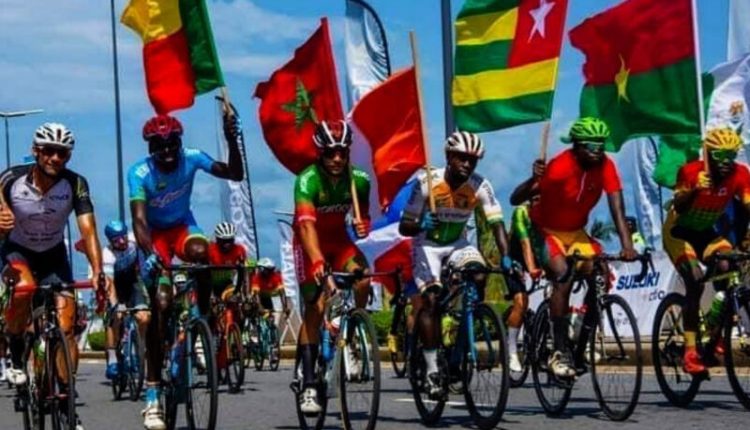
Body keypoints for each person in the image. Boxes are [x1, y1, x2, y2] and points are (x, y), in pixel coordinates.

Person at [128, 112, 243, 430]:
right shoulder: (139, 172)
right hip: (154, 237)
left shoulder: (192, 157)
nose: (166, 150)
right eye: (159, 145)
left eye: (172, 144)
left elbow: (235, 173)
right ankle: (153, 394)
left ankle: (202, 322)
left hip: (182, 227)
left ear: (180, 143)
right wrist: (150, 254)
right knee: (161, 304)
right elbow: (139, 221)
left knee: (202, 253)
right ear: (150, 148)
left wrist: (232, 140)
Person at [0, 123, 110, 430]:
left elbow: (88, 230)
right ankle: (16, 353)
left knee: (65, 327)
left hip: (53, 255)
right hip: (17, 251)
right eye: (49, 151)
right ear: (36, 151)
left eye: (62, 153)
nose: (55, 158)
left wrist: (98, 270)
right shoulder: (11, 179)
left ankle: (65, 400)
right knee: (25, 288)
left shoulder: (75, 184)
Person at [510, 117, 637, 378]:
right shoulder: (560, 167)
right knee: (563, 274)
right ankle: (559, 351)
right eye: (591, 145)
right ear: (577, 146)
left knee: (601, 274)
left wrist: (627, 246)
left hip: (576, 232)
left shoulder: (607, 166)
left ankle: (581, 338)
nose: (597, 151)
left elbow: (617, 209)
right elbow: (515, 198)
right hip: (546, 229)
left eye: (601, 145)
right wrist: (533, 178)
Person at [398, 130, 516, 396]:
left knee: (479, 275)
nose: (467, 164)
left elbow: (497, 224)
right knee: (431, 300)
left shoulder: (480, 185)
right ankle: (431, 370)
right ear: (448, 157)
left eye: (472, 160)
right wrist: (420, 223)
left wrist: (506, 256)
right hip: (427, 246)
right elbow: (405, 226)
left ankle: (460, 345)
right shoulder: (426, 182)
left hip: (457, 244)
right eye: (461, 158)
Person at [293, 119, 371, 414]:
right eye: (330, 153)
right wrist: (316, 261)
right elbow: (306, 226)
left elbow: (364, 218)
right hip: (308, 244)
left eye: (342, 152)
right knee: (315, 307)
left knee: (363, 278)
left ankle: (352, 335)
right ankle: (309, 384)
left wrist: (363, 226)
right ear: (319, 152)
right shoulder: (307, 180)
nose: (337, 159)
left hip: (340, 244)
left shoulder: (359, 179)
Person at [662, 128, 750, 374]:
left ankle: (715, 336)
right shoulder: (691, 171)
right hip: (678, 232)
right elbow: (679, 206)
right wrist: (694, 190)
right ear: (709, 153)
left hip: (704, 232)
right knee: (696, 280)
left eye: (731, 155)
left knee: (728, 268)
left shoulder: (740, 173)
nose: (726, 162)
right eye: (720, 155)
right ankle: (690, 352)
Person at [101, 220, 151, 381]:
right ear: (110, 241)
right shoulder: (107, 254)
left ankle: (139, 349)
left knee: (144, 317)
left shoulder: (133, 240)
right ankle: (113, 359)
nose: (122, 242)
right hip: (115, 285)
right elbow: (110, 283)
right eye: (116, 240)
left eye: (123, 237)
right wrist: (115, 305)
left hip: (132, 282)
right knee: (116, 317)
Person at [506, 196, 542, 372]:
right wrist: (532, 269)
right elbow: (525, 243)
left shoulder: (549, 214)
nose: (539, 203)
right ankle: (511, 350)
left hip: (536, 255)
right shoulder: (521, 212)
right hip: (514, 259)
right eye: (535, 199)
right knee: (521, 301)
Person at [207, 221, 247, 302]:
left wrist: (241, 291)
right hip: (209, 284)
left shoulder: (239, 250)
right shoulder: (209, 250)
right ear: (217, 239)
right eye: (224, 241)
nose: (227, 244)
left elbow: (243, 273)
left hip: (227, 283)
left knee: (233, 299)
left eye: (230, 240)